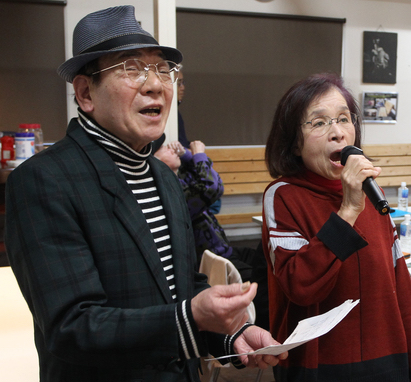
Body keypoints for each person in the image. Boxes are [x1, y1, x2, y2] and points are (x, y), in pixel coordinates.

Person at [4, 6, 287, 382]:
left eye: (162, 70)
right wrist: (190, 317)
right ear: (86, 93)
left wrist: (231, 334)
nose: (155, 84)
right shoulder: (42, 181)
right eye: (131, 69)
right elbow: (72, 326)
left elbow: (184, 284)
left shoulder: (164, 176)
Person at [263, 73, 411, 382]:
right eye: (319, 123)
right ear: (294, 144)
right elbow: (300, 285)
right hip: (319, 365)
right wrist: (348, 211)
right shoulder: (283, 196)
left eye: (344, 119)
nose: (337, 133)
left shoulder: (374, 192)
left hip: (386, 355)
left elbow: (398, 279)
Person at [154, 138, 256, 282]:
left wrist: (187, 155)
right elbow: (211, 186)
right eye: (163, 148)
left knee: (266, 259)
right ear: (154, 161)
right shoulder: (170, 193)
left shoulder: (179, 180)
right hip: (213, 264)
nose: (171, 148)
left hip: (225, 251)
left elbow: (200, 174)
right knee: (260, 280)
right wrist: (198, 154)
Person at [177, 70, 191, 148]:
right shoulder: (168, 114)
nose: (183, 88)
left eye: (183, 83)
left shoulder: (176, 113)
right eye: (179, 84)